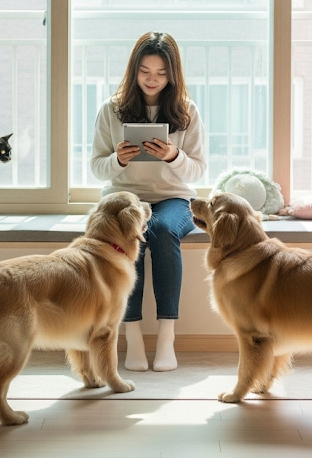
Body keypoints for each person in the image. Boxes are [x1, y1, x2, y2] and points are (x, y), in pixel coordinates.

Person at [91, 31, 206, 372]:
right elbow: (97, 168)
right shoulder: (111, 109)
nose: (152, 80)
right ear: (133, 70)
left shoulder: (187, 111)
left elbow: (198, 171)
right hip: (124, 196)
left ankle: (167, 337)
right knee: (131, 234)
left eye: (160, 73)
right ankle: (133, 336)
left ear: (172, 74)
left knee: (164, 229)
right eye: (144, 72)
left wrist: (173, 155)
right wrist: (119, 160)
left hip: (173, 196)